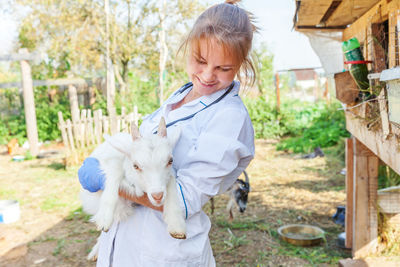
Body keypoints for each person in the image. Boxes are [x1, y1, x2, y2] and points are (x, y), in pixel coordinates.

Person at [78, 1, 256, 266]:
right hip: (126, 243)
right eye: (201, 61)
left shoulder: (229, 118)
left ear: (241, 64)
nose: (207, 75)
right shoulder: (179, 96)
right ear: (188, 47)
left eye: (223, 68)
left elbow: (184, 198)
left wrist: (108, 179)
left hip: (164, 252)